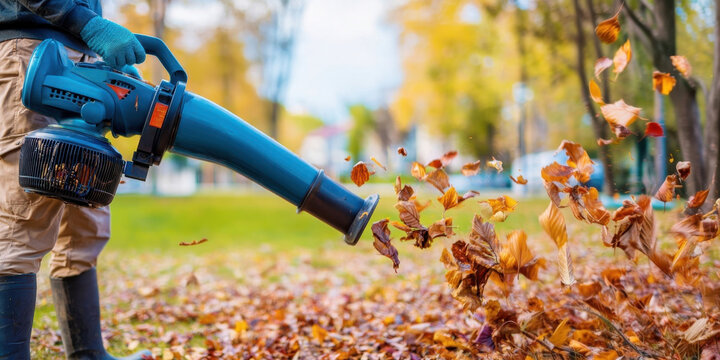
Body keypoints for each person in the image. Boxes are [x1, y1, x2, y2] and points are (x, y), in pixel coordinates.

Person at [0, 1, 149, 359]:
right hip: (31, 54)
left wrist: (95, 49)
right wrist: (89, 25)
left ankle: (87, 354)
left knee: (85, 218)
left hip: (80, 58)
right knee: (24, 218)